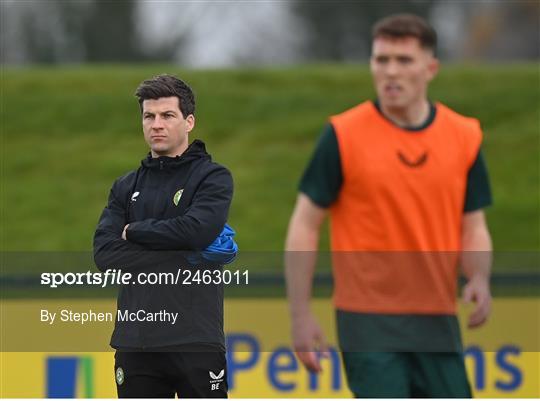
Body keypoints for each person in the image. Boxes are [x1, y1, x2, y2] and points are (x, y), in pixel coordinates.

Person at [285, 14, 492, 398]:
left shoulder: (464, 136)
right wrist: (300, 315)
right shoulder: (343, 134)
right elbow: (305, 223)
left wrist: (478, 276)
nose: (390, 71)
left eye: (404, 60)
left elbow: (473, 223)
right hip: (367, 318)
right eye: (381, 60)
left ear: (430, 68)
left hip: (437, 316)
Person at [93, 74, 235, 398]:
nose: (156, 124)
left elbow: (198, 230)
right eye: (149, 116)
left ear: (189, 121)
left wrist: (136, 232)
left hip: (196, 339)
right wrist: (185, 254)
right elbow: (105, 254)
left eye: (167, 115)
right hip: (136, 343)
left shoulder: (213, 177)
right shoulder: (125, 186)